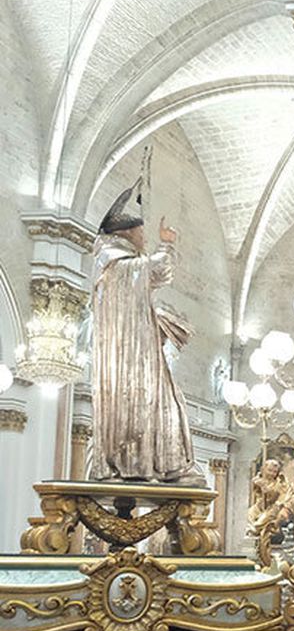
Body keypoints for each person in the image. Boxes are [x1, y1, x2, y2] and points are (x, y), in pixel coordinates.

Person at [88, 182, 203, 485]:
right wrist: (166, 245)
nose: (144, 238)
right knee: (144, 401)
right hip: (128, 352)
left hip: (139, 344)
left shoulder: (119, 262)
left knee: (165, 399)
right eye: (141, 233)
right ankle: (132, 463)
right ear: (127, 234)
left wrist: (161, 320)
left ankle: (162, 463)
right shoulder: (115, 262)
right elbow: (155, 271)